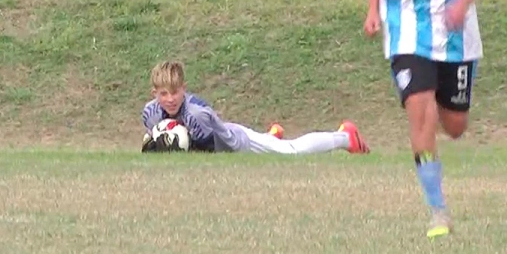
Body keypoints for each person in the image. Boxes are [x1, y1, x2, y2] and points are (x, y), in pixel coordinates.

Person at [364, 0, 492, 239]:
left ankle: (438, 96)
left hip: (455, 39)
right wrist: (372, 10)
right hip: (406, 35)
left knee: (454, 126)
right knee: (420, 114)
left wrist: (462, 5)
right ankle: (438, 210)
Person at [141, 60, 369, 154]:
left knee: (291, 152)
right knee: (273, 144)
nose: (170, 99)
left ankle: (345, 137)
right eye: (164, 93)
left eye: (175, 92)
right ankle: (272, 136)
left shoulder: (196, 114)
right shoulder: (150, 113)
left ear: (184, 89)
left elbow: (209, 151)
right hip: (226, 138)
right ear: (155, 94)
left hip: (237, 143)